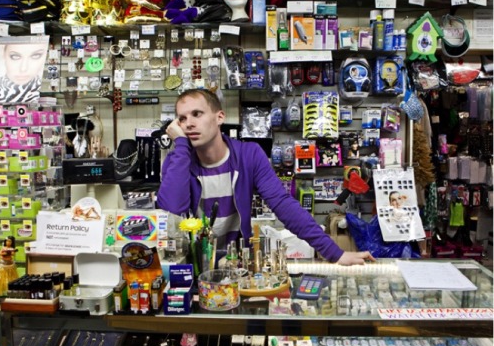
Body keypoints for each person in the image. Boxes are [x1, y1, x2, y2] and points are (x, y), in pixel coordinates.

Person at [157, 89, 375, 265]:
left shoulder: (248, 155)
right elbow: (171, 213)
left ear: (219, 117)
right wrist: (181, 145)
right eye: (182, 119)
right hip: (190, 265)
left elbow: (282, 203)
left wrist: (334, 253)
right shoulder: (178, 161)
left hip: (237, 265)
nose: (189, 124)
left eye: (197, 114)